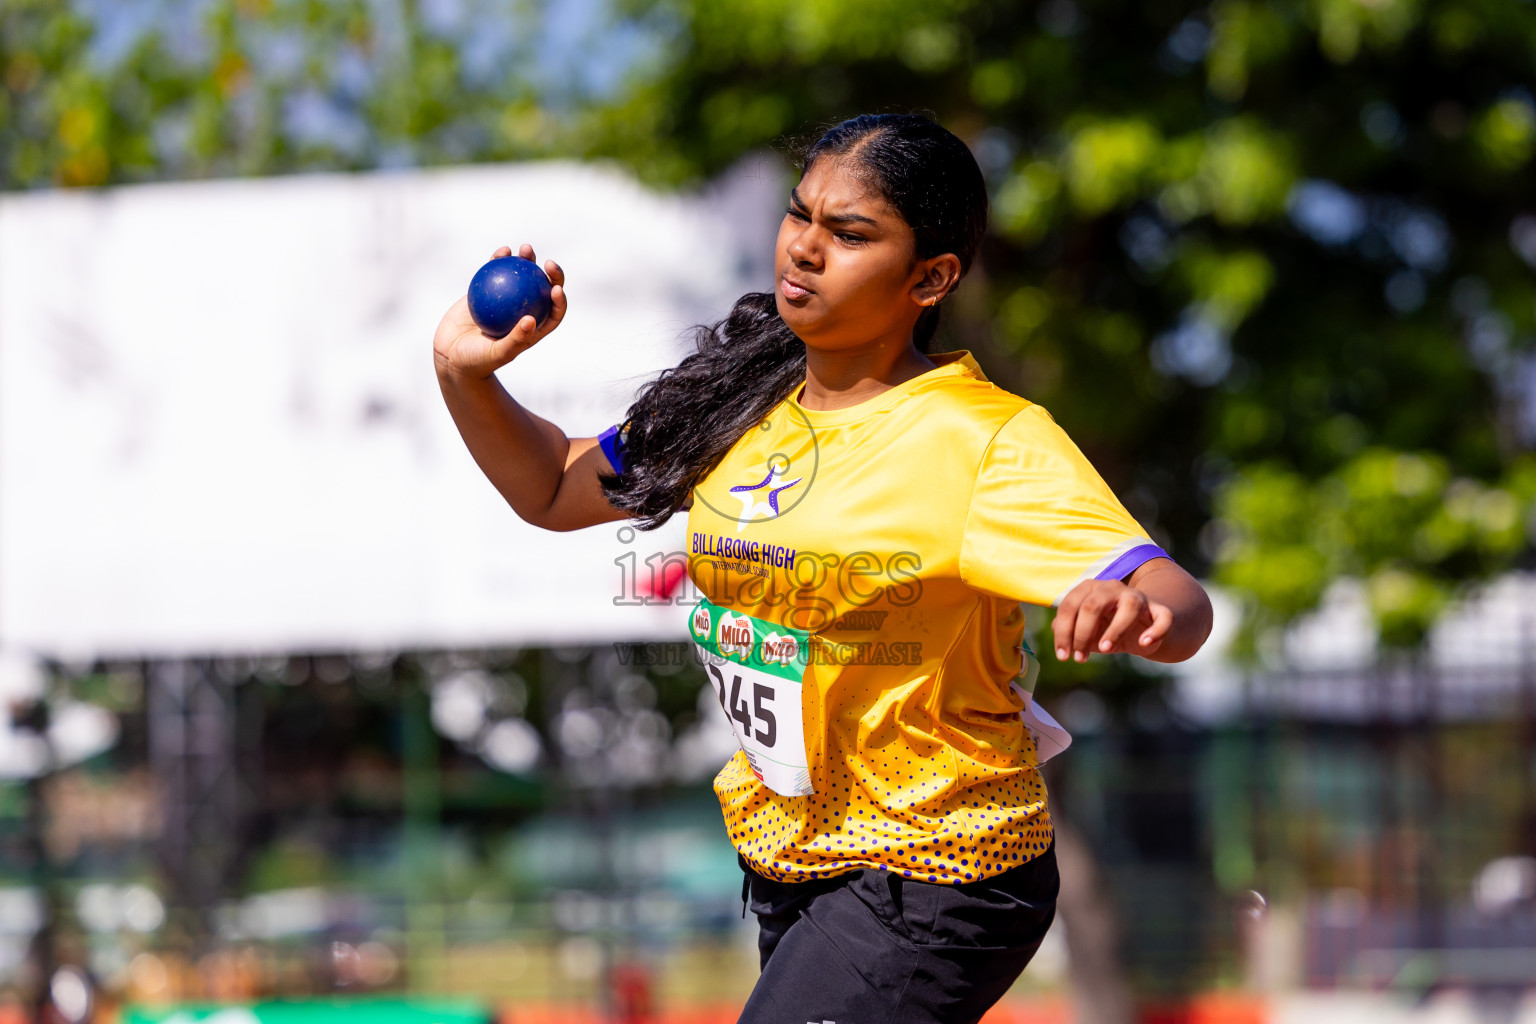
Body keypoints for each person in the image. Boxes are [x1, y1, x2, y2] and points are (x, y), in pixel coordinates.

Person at [433, 113, 1213, 1024]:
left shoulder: (982, 438)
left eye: (849, 235)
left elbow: (1176, 598)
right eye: (800, 215)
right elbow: (555, 488)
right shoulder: (740, 397)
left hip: (942, 861)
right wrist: (466, 374)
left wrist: (1135, 611)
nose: (804, 249)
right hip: (795, 855)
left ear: (932, 277)